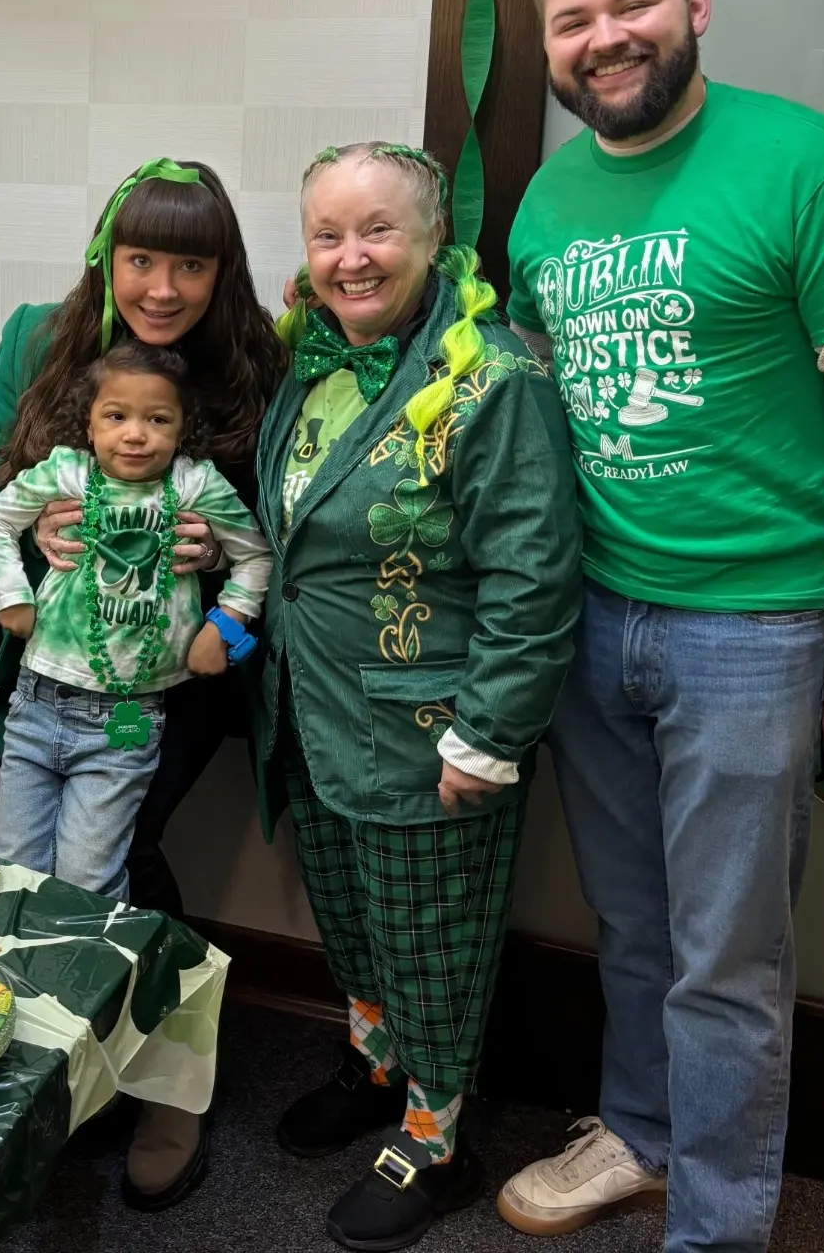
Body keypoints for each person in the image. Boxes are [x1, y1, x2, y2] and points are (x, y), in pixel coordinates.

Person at [497, 0, 824, 1253]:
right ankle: (641, 1140)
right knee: (632, 921)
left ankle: (716, 1225)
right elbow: (533, 409)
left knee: (729, 960)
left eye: (633, 4)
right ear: (548, 45)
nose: (607, 37)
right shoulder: (549, 195)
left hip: (755, 626)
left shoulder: (810, 166)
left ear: (693, 6)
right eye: (574, 19)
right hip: (596, 611)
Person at [257, 142, 579, 1252]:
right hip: (314, 710)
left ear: (435, 236)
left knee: (429, 942)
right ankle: (373, 1065)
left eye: (377, 230)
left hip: (427, 728)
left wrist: (488, 736)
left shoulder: (495, 379)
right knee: (349, 918)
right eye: (327, 234)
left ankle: (436, 1138)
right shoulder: (309, 360)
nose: (351, 257)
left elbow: (532, 573)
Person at [0, 157, 286, 1213]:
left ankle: (163, 1082)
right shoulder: (33, 335)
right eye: (141, 257)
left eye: (189, 263)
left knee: (122, 854)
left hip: (170, 679)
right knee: (30, 872)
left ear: (218, 271)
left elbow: (278, 519)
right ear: (107, 258)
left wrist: (217, 578)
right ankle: (54, 1056)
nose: (161, 285)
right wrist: (39, 521)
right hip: (48, 667)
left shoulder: (249, 362)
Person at [0, 342, 270, 898]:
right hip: (37, 701)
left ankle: (90, 981)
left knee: (90, 877)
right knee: (16, 867)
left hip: (124, 723)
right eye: (116, 416)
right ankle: (17, 976)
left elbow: (256, 556)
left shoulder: (194, 484)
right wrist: (11, 593)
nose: (135, 434)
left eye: (157, 419)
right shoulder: (65, 473)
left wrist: (224, 626)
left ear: (182, 429)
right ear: (88, 425)